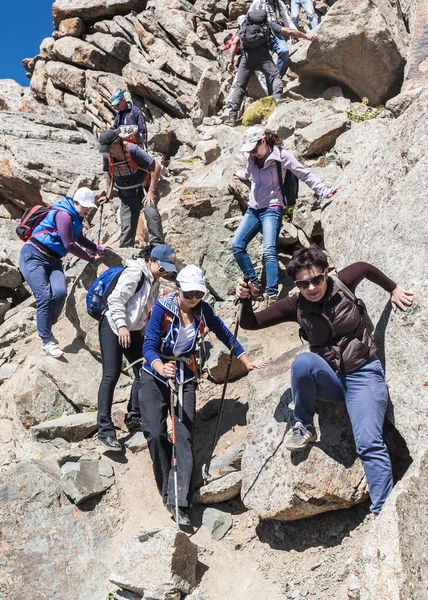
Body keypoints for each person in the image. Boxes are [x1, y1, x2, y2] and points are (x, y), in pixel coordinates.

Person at [236, 245, 414, 516]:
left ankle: (384, 514)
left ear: (326, 273)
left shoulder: (343, 282)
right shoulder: (295, 305)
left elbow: (365, 267)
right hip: (331, 378)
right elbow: (251, 324)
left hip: (364, 373)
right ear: (295, 284)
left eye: (317, 279)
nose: (311, 287)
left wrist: (393, 288)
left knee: (368, 442)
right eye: (303, 283)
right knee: (303, 362)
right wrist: (245, 299)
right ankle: (304, 425)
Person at [140, 265, 266, 525]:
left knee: (183, 436)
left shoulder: (203, 310)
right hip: (154, 374)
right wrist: (160, 366)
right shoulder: (163, 309)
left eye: (199, 293)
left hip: (184, 373)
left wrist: (245, 359)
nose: (194, 298)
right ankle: (166, 485)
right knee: (154, 432)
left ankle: (179, 501)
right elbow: (148, 346)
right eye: (189, 294)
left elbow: (224, 332)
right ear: (178, 289)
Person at [232, 127, 339, 305]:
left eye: (254, 149)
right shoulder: (252, 157)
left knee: (268, 250)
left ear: (263, 141)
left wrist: (324, 191)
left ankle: (272, 295)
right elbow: (250, 174)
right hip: (253, 208)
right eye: (249, 150)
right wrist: (240, 175)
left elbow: (305, 174)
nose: (252, 153)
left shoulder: (281, 157)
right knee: (237, 245)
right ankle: (255, 284)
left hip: (272, 208)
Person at [97, 244, 177, 451]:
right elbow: (116, 299)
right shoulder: (135, 273)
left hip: (133, 330)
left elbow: (144, 310)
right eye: (163, 267)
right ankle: (105, 430)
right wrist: (122, 326)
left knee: (144, 369)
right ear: (152, 260)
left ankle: (134, 416)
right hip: (114, 326)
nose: (165, 272)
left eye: (169, 269)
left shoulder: (154, 280)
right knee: (111, 375)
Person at [18, 188, 104, 358]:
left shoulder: (77, 217)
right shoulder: (64, 215)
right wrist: (90, 257)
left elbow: (79, 238)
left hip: (53, 260)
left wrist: (97, 247)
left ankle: (44, 327)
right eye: (85, 206)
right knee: (44, 296)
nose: (88, 210)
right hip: (33, 256)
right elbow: (69, 245)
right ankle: (46, 341)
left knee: (59, 293)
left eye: (90, 207)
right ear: (76, 202)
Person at [225, 9, 317, 127]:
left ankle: (232, 117)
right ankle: (278, 97)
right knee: (274, 75)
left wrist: (230, 60)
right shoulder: (268, 24)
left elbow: (234, 43)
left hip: (246, 58)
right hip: (263, 56)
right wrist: (307, 36)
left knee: (240, 85)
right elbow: (288, 31)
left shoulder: (245, 26)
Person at [99, 128, 164, 248]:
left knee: (151, 214)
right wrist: (108, 195)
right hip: (126, 194)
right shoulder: (107, 157)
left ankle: (158, 248)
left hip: (144, 189)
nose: (108, 153)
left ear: (116, 143)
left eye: (109, 149)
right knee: (127, 225)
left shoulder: (132, 150)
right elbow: (109, 173)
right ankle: (126, 253)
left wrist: (151, 192)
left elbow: (156, 166)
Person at [248, 0, 297, 76]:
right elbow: (248, 17)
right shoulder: (258, 2)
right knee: (267, 57)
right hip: (260, 34)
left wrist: (296, 33)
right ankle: (267, 76)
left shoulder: (279, 3)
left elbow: (287, 20)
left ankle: (277, 76)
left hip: (275, 32)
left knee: (284, 51)